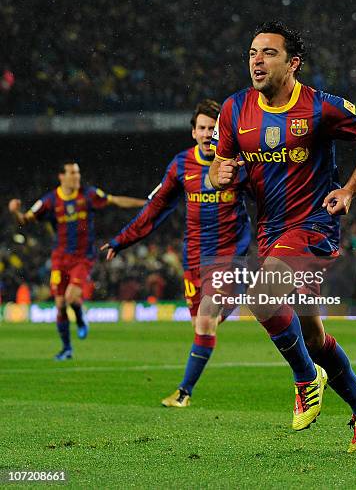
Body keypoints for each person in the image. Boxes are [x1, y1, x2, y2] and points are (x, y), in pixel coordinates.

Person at [209, 21, 356, 452]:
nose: (256, 59)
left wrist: (348, 190)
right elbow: (218, 171)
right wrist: (222, 176)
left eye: (268, 53)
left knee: (262, 297)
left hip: (312, 226)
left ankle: (306, 377)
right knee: (312, 338)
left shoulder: (320, 107)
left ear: (293, 63)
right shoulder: (234, 110)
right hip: (271, 232)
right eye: (252, 52)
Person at [102, 100, 251, 407]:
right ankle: (233, 299)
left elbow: (273, 194)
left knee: (206, 320)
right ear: (193, 132)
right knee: (202, 324)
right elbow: (154, 208)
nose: (208, 134)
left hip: (227, 255)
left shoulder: (238, 163)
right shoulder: (181, 165)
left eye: (214, 128)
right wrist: (121, 240)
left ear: (224, 130)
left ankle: (184, 392)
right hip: (194, 257)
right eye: (203, 128)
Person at [8, 162, 146, 360]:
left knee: (72, 298)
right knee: (60, 304)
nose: (77, 177)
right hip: (60, 258)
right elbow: (24, 220)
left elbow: (115, 200)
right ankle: (66, 349)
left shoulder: (88, 194)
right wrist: (14, 212)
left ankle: (81, 319)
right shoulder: (50, 200)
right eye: (72, 173)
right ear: (61, 176)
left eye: (78, 173)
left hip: (83, 257)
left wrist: (146, 204)